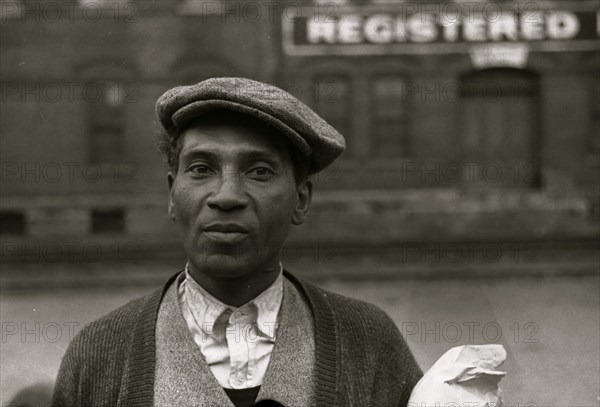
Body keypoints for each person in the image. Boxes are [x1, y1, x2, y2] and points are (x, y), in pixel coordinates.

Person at [52, 77, 422, 406]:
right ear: (171, 194)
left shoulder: (368, 342)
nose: (226, 196)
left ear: (301, 199)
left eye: (259, 171)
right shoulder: (100, 354)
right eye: (201, 169)